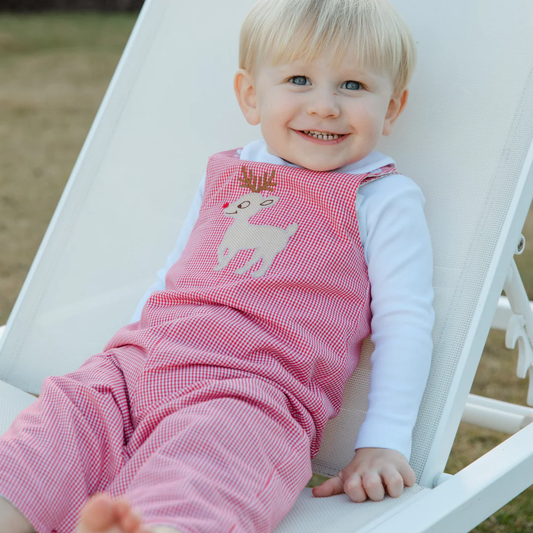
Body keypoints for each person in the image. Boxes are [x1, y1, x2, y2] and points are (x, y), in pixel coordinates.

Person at [0, 0, 434, 531]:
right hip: (142, 362)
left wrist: (384, 441)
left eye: (353, 85)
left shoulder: (381, 198)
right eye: (299, 80)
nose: (324, 106)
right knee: (59, 424)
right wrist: (122, 353)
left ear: (392, 108)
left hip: (252, 391)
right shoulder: (232, 172)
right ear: (251, 95)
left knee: (210, 464)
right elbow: (176, 272)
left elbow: (404, 323)